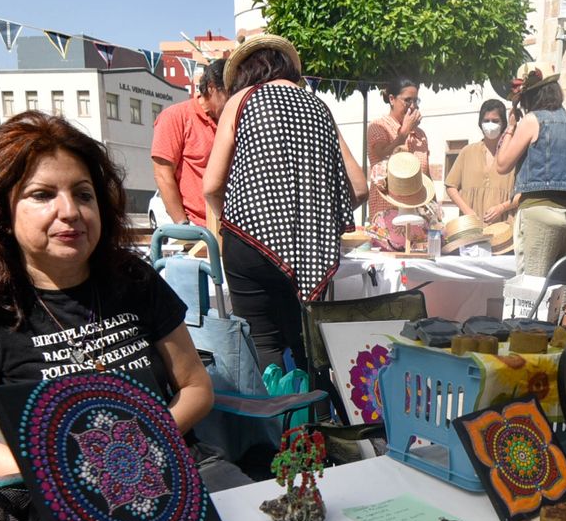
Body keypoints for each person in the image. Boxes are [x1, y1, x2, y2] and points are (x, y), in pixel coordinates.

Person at [0, 111, 250, 521]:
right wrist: (67, 468)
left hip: (175, 467)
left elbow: (195, 389)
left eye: (83, 194)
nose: (70, 212)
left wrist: (147, 446)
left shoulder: (133, 280)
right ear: (2, 211)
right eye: (42, 195)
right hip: (57, 493)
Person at [203, 34, 367, 371]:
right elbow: (359, 189)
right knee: (307, 344)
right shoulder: (319, 107)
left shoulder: (241, 101)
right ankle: (318, 420)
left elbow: (212, 185)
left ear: (244, 72)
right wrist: (317, 215)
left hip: (249, 241)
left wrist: (229, 220)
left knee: (263, 342)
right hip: (311, 250)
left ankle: (274, 422)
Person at [495, 67, 566, 277]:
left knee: (532, 289)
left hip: (538, 214)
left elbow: (502, 165)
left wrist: (510, 127)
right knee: (561, 289)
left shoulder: (532, 121)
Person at [151, 59, 228, 228]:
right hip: (195, 227)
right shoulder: (176, 117)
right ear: (212, 88)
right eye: (229, 93)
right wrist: (183, 226)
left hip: (229, 228)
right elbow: (163, 174)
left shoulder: (230, 121)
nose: (232, 100)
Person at [445, 100, 517, 225]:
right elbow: (451, 186)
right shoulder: (467, 152)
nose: (490, 124)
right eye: (486, 121)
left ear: (503, 123)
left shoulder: (513, 154)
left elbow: (523, 194)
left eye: (495, 121)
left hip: (503, 229)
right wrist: (467, 211)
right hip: (471, 228)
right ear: (480, 123)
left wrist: (502, 207)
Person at [366, 76, 428, 217]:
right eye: (407, 100)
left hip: (417, 213)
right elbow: (382, 155)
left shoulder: (420, 135)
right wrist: (404, 132)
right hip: (387, 212)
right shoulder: (379, 126)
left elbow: (426, 176)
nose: (412, 106)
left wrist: (434, 210)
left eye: (415, 101)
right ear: (392, 99)